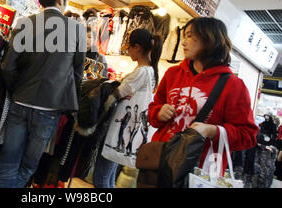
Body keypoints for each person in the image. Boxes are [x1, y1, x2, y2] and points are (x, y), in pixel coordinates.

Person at [0, 0, 86, 188]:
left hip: (20, 101)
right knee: (28, 166)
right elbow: (77, 74)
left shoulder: (24, 24)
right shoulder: (77, 30)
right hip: (49, 107)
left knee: (7, 163)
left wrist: (16, 90)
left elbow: (8, 66)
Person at [148, 17, 259, 177]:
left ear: (210, 39)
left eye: (190, 36)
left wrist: (213, 130)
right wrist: (159, 112)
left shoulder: (233, 85)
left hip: (199, 170)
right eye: (184, 36)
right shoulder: (173, 74)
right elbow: (153, 111)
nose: (184, 42)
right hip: (160, 161)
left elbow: (248, 135)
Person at [94, 28, 162, 188]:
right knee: (108, 176)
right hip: (126, 132)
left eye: (129, 47)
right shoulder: (150, 71)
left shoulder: (142, 72)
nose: (128, 51)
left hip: (119, 130)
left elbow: (117, 95)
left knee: (102, 177)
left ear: (137, 47)